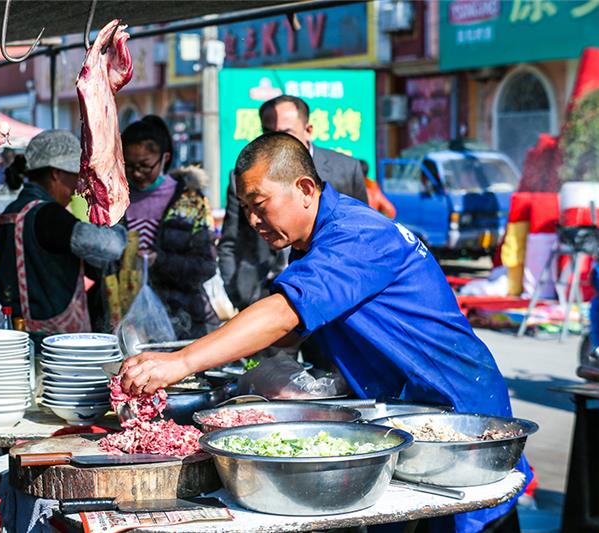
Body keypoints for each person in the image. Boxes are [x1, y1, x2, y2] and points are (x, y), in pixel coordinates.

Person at [119, 133, 530, 533]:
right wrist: (235, 357)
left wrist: (183, 361)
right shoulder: (310, 244)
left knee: (468, 520)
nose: (253, 220)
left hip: (455, 411)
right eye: (245, 208)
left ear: (304, 189)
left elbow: (283, 315)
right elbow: (288, 331)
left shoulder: (355, 234)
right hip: (404, 406)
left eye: (259, 205)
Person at [218, 95, 367, 312]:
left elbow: (359, 237)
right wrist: (238, 292)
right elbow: (230, 241)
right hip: (261, 294)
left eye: (285, 132)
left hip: (327, 296)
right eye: (268, 132)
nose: (254, 219)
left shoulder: (345, 169)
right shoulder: (243, 179)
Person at [0, 130, 127, 338]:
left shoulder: (9, 214)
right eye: (75, 175)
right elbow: (111, 247)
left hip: (16, 334)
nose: (77, 187)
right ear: (56, 174)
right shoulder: (49, 215)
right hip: (56, 340)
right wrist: (118, 223)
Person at [121, 115, 218, 339]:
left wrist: (160, 260)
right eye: (130, 166)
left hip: (181, 319)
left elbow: (206, 266)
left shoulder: (191, 201)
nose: (137, 173)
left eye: (145, 165)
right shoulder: (116, 200)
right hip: (126, 319)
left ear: (164, 158)